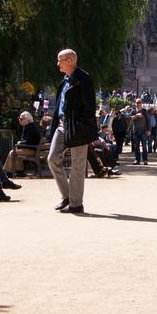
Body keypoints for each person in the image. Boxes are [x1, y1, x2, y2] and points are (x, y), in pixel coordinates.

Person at [47, 48, 98, 214]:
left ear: (69, 61)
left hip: (77, 126)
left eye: (59, 60)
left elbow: (90, 107)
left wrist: (82, 126)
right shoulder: (64, 81)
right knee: (52, 158)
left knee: (78, 165)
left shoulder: (83, 79)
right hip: (62, 125)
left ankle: (76, 204)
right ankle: (68, 196)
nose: (57, 64)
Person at [4, 111, 43, 175]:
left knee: (12, 152)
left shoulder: (29, 127)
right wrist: (20, 144)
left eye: (21, 119)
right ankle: (20, 171)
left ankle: (7, 172)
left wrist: (20, 143)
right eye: (19, 119)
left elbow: (28, 142)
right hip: (32, 149)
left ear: (27, 120)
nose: (19, 120)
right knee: (17, 151)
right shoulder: (30, 126)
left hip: (32, 150)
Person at [129, 99, 150, 165]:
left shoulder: (144, 111)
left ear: (141, 103)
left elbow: (148, 121)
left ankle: (145, 160)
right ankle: (137, 160)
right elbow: (130, 118)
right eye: (137, 102)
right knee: (136, 146)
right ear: (135, 103)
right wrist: (137, 115)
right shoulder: (133, 111)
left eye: (139, 102)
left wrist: (149, 130)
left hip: (143, 131)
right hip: (136, 131)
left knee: (144, 146)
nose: (138, 104)